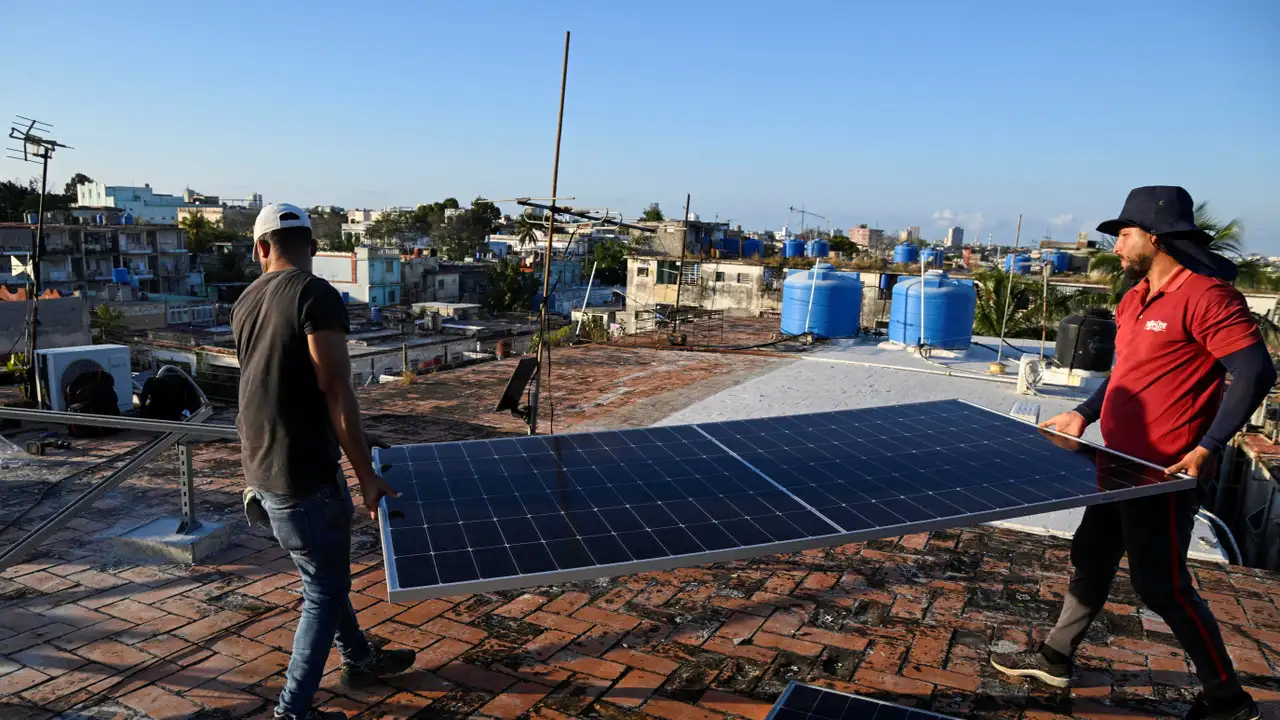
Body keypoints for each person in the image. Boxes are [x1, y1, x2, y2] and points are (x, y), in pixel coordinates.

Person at [990, 187, 1274, 720]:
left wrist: (1208, 447)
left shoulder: (1207, 297)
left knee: (1162, 586)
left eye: (1123, 234)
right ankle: (1056, 655)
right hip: (1114, 460)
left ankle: (1227, 700)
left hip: (1162, 472)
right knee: (1089, 557)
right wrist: (1085, 414)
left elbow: (1256, 371)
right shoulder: (1134, 297)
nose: (1115, 246)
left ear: (1156, 237)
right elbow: (1125, 375)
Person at [232, 203, 413, 720]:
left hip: (261, 469)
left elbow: (273, 385)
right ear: (311, 247)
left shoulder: (244, 300)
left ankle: (359, 660)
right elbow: (335, 390)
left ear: (261, 248)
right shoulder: (316, 294)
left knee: (323, 578)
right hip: (303, 473)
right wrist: (366, 477)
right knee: (324, 590)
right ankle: (292, 712)